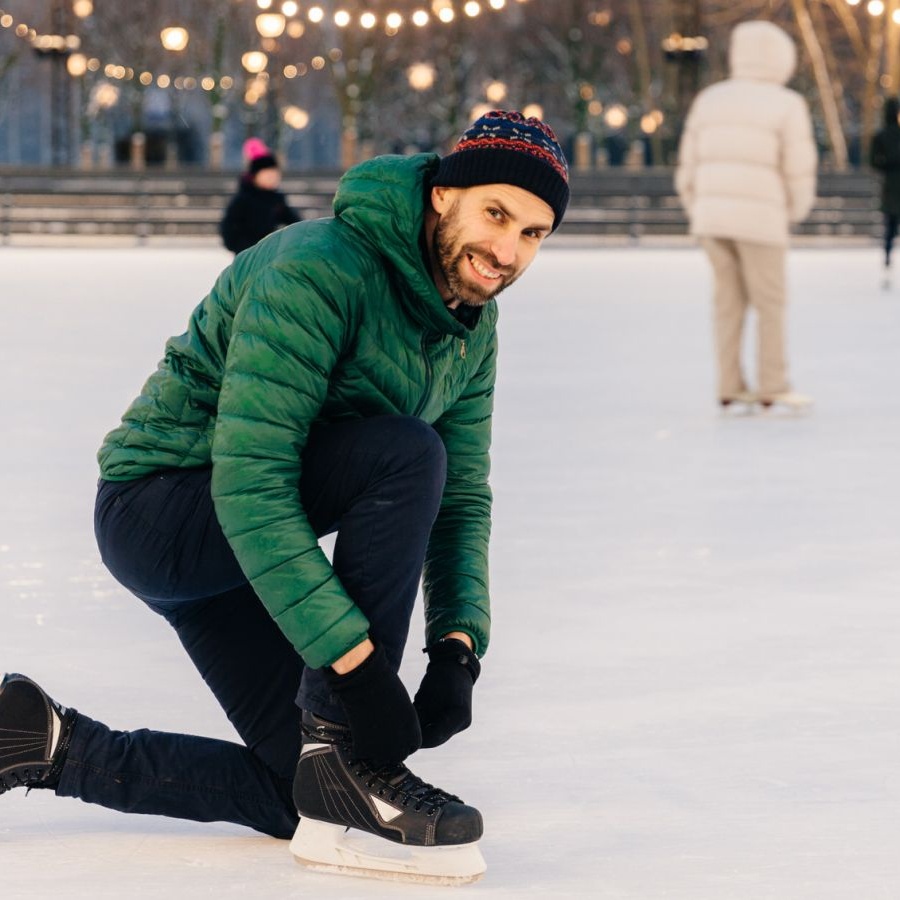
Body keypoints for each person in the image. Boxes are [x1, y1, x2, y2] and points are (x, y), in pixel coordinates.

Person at [0, 110, 569, 885]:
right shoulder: (317, 265)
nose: (507, 252)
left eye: (533, 233)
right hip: (164, 509)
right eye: (497, 215)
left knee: (303, 794)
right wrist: (358, 673)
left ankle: (44, 742)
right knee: (405, 452)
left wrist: (458, 651)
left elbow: (463, 499)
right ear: (444, 195)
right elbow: (251, 478)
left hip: (254, 546)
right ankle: (345, 744)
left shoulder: (472, 327)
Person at [675, 20, 818, 412]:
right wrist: (794, 209)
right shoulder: (787, 104)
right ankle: (772, 385)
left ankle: (729, 385)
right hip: (762, 222)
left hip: (712, 220)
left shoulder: (710, 99)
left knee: (727, 303)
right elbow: (798, 167)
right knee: (770, 303)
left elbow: (688, 163)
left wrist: (697, 207)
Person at [219, 138, 300, 255]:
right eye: (268, 175)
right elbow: (229, 226)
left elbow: (292, 220)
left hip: (269, 251)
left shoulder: (276, 199)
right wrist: (241, 247)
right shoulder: (244, 199)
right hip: (247, 253)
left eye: (275, 175)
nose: (272, 178)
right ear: (255, 176)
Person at [869, 96, 900, 288]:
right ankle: (887, 262)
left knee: (889, 227)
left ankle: (887, 260)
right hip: (892, 186)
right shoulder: (884, 136)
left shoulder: (880, 136)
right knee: (890, 226)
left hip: (889, 186)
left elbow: (874, 162)